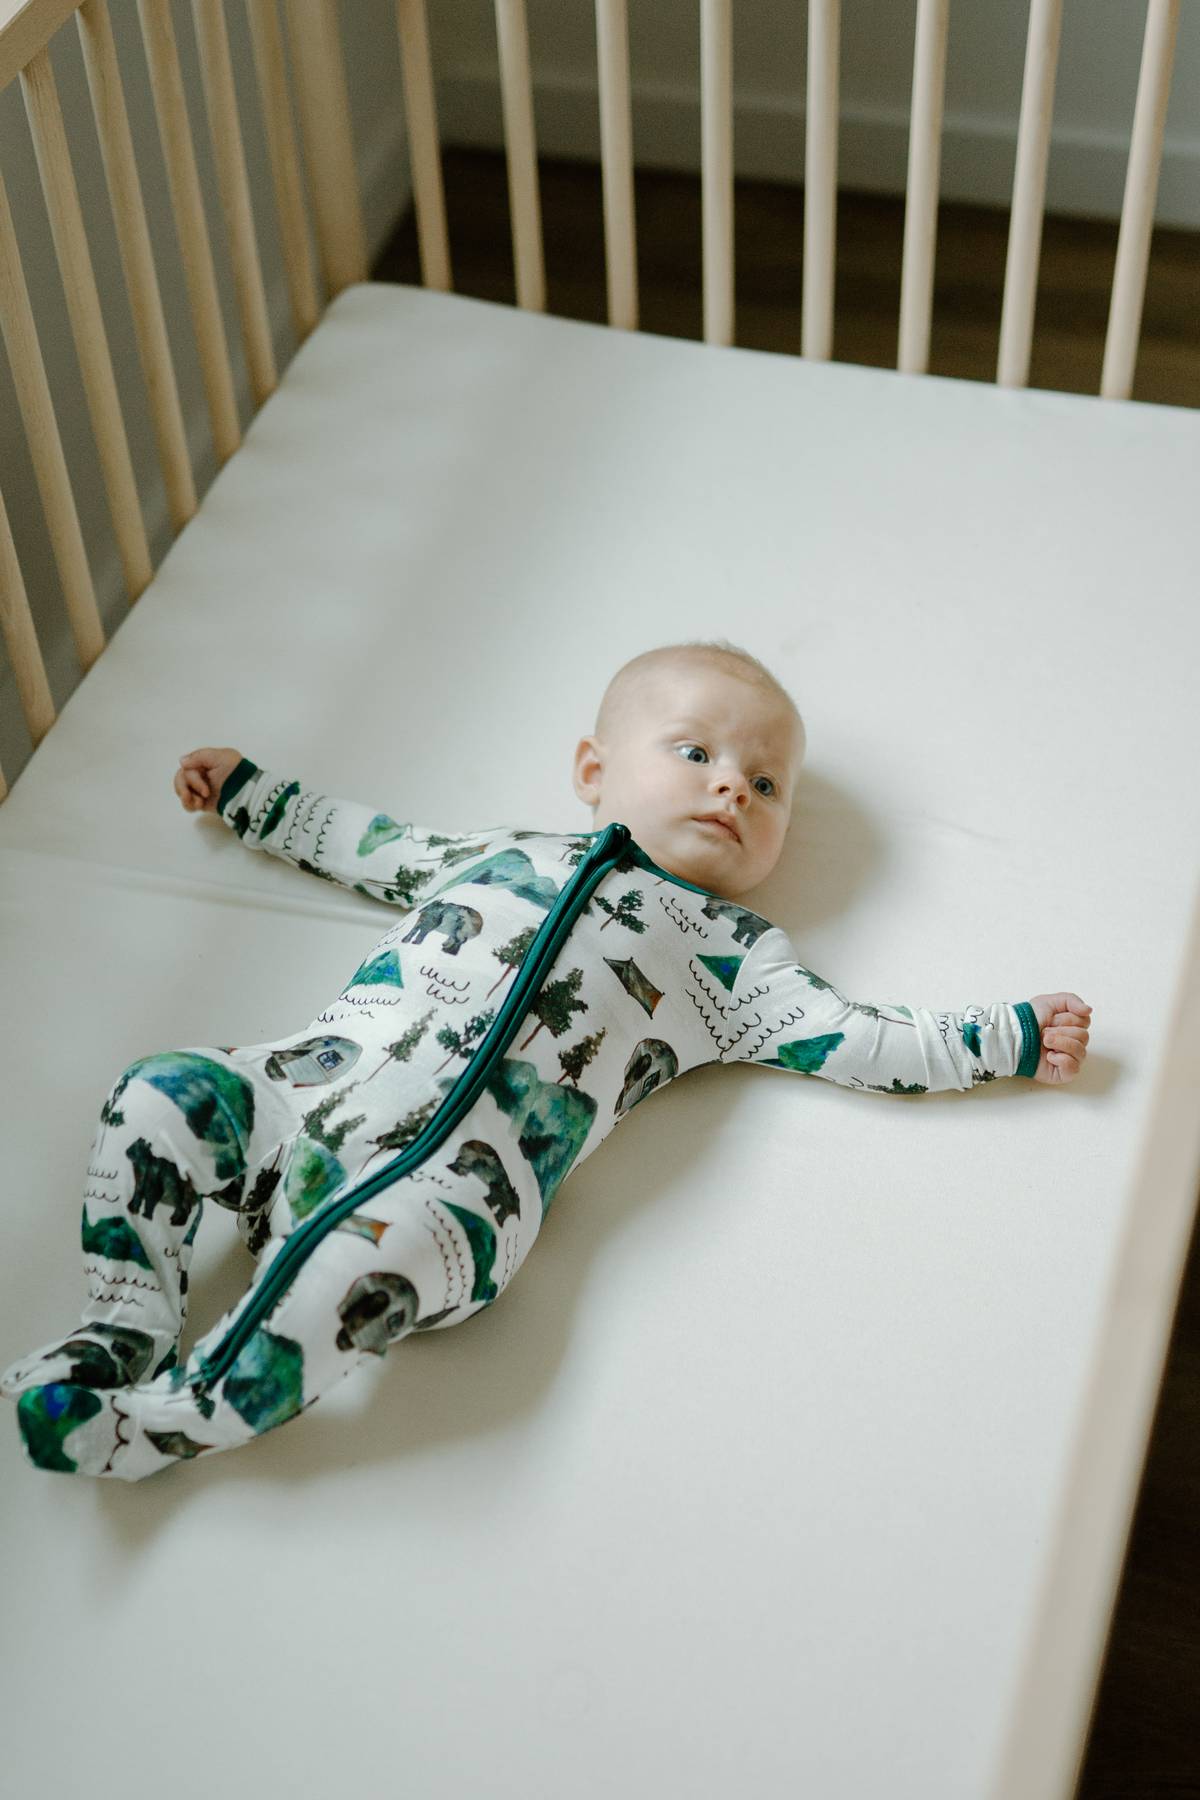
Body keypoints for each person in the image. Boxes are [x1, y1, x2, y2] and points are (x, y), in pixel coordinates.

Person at [1, 639, 1091, 1480]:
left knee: (343, 1272)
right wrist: (255, 797)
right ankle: (125, 1323)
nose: (732, 789)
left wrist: (1002, 1036)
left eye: (767, 787)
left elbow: (861, 1038)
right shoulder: (498, 852)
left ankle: (163, 1423)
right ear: (592, 769)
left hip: (449, 1203)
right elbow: (365, 843)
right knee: (165, 1092)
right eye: (698, 754)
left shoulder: (735, 959)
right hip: (305, 1091)